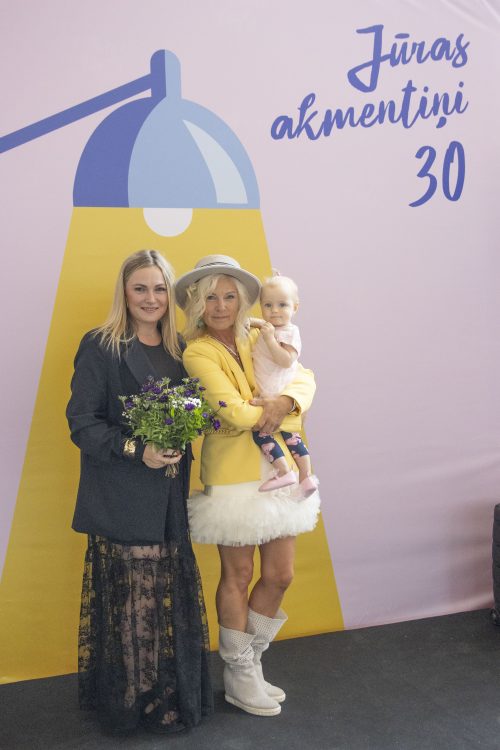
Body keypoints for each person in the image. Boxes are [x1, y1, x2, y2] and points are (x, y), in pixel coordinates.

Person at [66, 250, 213, 735]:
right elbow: (82, 423)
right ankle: (133, 697)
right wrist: (137, 449)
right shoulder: (101, 345)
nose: (151, 298)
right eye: (140, 288)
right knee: (133, 601)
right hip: (122, 493)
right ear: (124, 293)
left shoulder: (182, 349)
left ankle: (155, 691)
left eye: (159, 288)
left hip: (169, 496)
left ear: (172, 294)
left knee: (160, 596)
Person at [175, 254, 320, 717]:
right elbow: (233, 413)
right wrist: (279, 410)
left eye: (229, 296)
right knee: (237, 575)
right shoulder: (197, 351)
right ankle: (238, 673)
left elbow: (305, 376)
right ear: (197, 304)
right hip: (234, 476)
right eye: (211, 298)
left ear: (242, 300)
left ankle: (251, 662)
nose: (221, 306)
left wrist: (286, 400)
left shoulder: (259, 333)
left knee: (280, 575)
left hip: (279, 472)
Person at [249, 273, 318, 494]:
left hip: (275, 390)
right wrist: (250, 322)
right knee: (291, 436)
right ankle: (305, 477)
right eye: (268, 305)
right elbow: (256, 323)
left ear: (295, 308)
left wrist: (270, 340)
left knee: (262, 433)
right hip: (271, 388)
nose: (275, 311)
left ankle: (283, 471)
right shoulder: (269, 327)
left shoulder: (289, 332)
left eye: (282, 305)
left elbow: (287, 360)